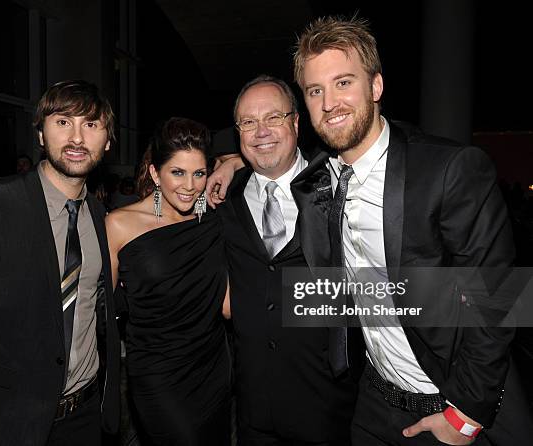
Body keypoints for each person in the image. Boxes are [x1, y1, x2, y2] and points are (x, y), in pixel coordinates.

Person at [292, 16, 532, 445]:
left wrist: (464, 417)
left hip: (447, 407)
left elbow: (496, 296)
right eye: (315, 90)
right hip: (373, 400)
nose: (329, 103)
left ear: (376, 87)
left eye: (344, 83)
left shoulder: (446, 170)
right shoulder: (322, 176)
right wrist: (234, 162)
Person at [0, 80, 120, 445]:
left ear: (108, 141)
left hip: (84, 416)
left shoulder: (100, 217)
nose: (77, 138)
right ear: (40, 134)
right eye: (63, 122)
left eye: (91, 124)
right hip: (7, 421)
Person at [215, 75, 359, 445]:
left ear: (295, 122)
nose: (260, 131)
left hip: (328, 407)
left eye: (273, 118)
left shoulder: (340, 184)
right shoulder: (223, 198)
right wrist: (228, 163)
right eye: (248, 122)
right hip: (253, 412)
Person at [105, 117, 231, 445]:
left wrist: (233, 163)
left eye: (198, 173)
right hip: (158, 377)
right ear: (154, 173)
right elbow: (100, 308)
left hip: (213, 368)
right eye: (177, 172)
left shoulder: (210, 217)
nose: (190, 185)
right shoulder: (120, 225)